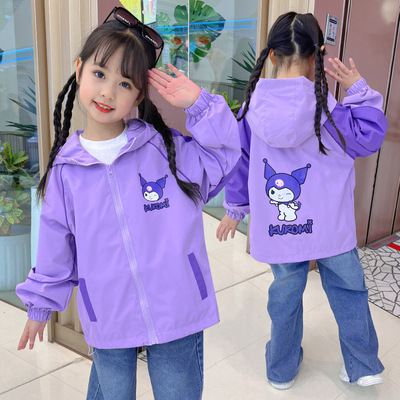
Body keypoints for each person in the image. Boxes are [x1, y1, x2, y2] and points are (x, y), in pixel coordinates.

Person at [15, 6, 240, 400]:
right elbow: (55, 247)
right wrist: (39, 306)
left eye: (124, 83)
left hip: (177, 307)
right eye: (100, 74)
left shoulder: (162, 150)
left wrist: (200, 104)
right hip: (109, 314)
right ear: (79, 69)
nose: (107, 92)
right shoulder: (66, 171)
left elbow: (223, 157)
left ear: (139, 94)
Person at [216, 11, 386, 390]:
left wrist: (235, 210)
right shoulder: (329, 109)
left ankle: (281, 370)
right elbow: (368, 137)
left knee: (285, 296)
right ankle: (363, 365)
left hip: (281, 230)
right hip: (331, 229)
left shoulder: (250, 109)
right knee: (349, 292)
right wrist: (358, 89)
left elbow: (241, 163)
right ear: (317, 56)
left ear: (271, 56)